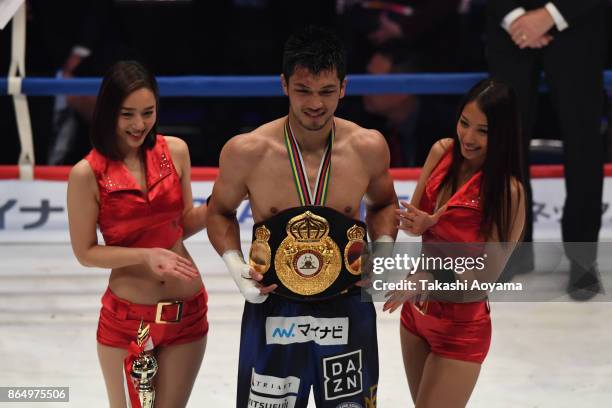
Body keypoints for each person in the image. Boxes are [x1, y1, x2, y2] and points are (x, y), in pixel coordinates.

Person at [206, 26, 398, 408]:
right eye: (303, 90)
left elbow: (384, 204)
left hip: (347, 302)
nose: (315, 103)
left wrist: (385, 250)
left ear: (344, 87)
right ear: (284, 85)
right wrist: (235, 267)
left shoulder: (367, 147)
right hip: (275, 304)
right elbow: (219, 212)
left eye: (327, 91)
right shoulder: (247, 151)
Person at [67, 61, 208, 408]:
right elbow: (85, 252)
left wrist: (223, 202)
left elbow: (183, 223)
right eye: (127, 114)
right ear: (107, 112)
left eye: (148, 112)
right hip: (128, 319)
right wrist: (145, 256)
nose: (139, 124)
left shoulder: (176, 151)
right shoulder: (86, 174)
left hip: (187, 313)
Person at [384, 79, 526, 407]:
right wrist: (407, 220)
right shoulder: (441, 151)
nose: (468, 137)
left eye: (483, 131)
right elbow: (411, 223)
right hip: (415, 313)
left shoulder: (508, 192)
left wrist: (430, 276)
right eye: (464, 123)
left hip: (461, 325)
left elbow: (485, 279)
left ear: (502, 134)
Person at [486, 0, 607, 299]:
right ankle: (515, 248)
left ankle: (583, 258)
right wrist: (515, 17)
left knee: (583, 141)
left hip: (579, 23)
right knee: (505, 139)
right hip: (507, 28)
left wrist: (551, 14)